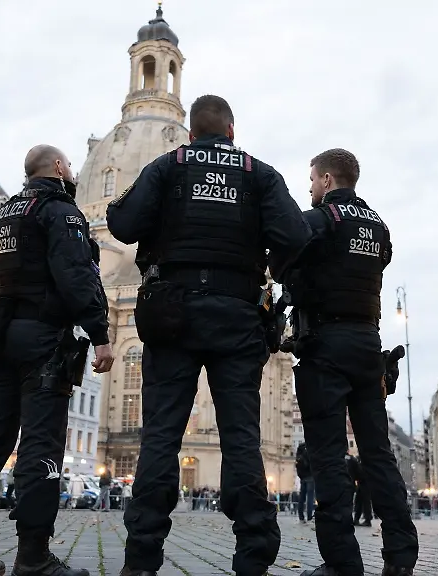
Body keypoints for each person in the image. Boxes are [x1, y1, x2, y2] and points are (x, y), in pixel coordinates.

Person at [107, 94, 312, 576]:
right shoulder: (258, 174)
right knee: (242, 437)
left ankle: (140, 561)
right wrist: (267, 269)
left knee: (159, 436)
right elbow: (298, 237)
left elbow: (122, 222)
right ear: (232, 131)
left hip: (172, 311)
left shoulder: (167, 165)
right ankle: (253, 557)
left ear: (192, 133)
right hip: (238, 314)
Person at [0, 144, 115, 576]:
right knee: (41, 446)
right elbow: (77, 274)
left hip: (2, 337)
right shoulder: (60, 212)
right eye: (71, 167)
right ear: (59, 168)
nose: (74, 173)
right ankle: (34, 556)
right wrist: (100, 335)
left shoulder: (5, 214)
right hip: (43, 338)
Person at [271, 149, 418, 576]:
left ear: (329, 179)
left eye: (313, 179)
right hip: (368, 347)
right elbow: (376, 262)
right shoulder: (379, 226)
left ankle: (342, 563)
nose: (310, 187)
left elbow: (281, 263)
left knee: (329, 458)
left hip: (326, 347)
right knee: (378, 455)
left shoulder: (318, 220)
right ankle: (401, 559)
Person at [295, 442, 315, 523]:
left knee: (302, 497)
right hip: (310, 476)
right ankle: (309, 517)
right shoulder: (311, 447)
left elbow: (297, 463)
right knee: (310, 498)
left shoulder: (301, 449)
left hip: (303, 477)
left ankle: (301, 517)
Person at [352, 456, 372, 527]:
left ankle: (367, 519)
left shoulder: (366, 460)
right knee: (359, 501)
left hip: (365, 482)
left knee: (365, 501)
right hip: (362, 482)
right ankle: (357, 519)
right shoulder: (361, 459)